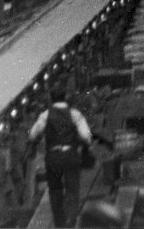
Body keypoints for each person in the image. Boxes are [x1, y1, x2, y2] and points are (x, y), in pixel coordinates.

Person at [29, 84, 96, 229]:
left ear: (51, 99)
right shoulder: (75, 114)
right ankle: (71, 220)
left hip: (53, 157)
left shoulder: (45, 115)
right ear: (65, 97)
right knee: (72, 188)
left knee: (55, 190)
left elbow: (33, 134)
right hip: (70, 155)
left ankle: (59, 223)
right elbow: (86, 137)